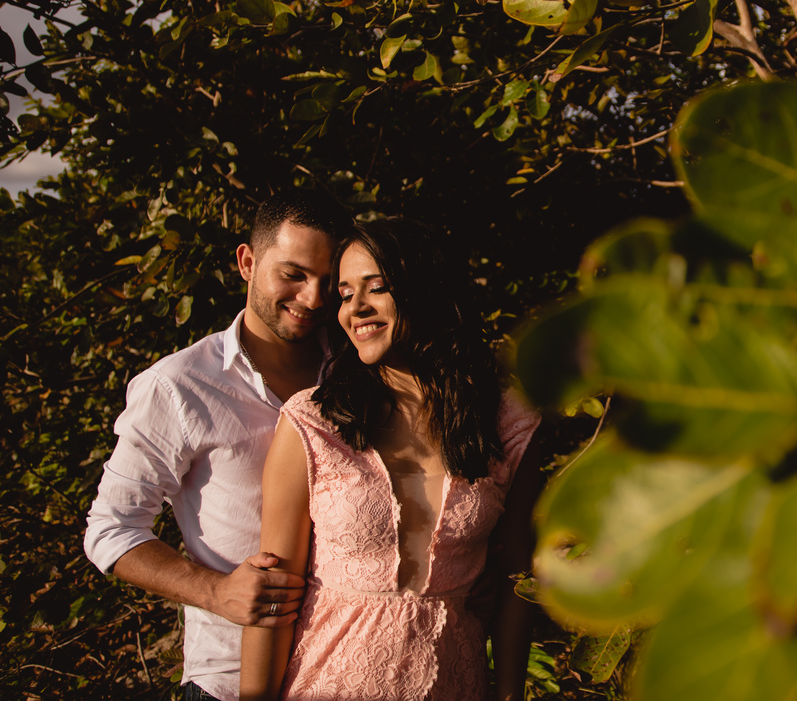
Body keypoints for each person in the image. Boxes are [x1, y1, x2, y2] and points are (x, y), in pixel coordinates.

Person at [240, 218, 541, 701]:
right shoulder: (314, 421)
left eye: (375, 288)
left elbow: (517, 581)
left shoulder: (509, 423)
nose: (354, 308)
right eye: (344, 294)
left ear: (425, 290)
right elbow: (274, 593)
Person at [83, 189, 352, 701]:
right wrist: (216, 592)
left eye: (328, 281)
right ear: (247, 262)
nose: (314, 299)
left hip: (348, 668)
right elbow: (110, 530)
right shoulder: (178, 386)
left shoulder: (357, 369)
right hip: (230, 680)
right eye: (293, 274)